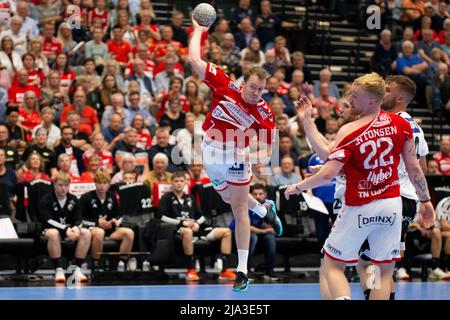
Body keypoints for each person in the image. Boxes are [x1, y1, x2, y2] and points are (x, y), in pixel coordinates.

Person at [285, 73, 435, 300]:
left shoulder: (351, 130)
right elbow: (416, 168)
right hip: (394, 203)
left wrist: (298, 186)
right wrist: (426, 201)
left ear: (375, 100)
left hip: (361, 203)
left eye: (354, 97)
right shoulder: (403, 124)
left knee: (335, 264)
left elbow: (328, 166)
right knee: (382, 268)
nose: (348, 103)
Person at [189, 16, 283, 292]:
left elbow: (268, 148)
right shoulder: (225, 85)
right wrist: (198, 30)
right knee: (227, 196)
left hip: (237, 157)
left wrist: (249, 156)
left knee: (238, 209)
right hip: (210, 152)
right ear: (244, 83)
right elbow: (195, 59)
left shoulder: (264, 113)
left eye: (261, 89)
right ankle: (266, 211)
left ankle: (242, 270)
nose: (255, 93)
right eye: (252, 87)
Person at [157, 171, 236, 281]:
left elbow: (202, 216)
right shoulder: (166, 197)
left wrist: (197, 223)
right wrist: (181, 223)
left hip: (196, 228)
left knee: (226, 231)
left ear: (185, 183)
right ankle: (191, 270)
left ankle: (224, 270)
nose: (179, 183)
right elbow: (161, 216)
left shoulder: (190, 197)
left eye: (181, 181)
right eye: (176, 181)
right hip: (178, 230)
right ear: (172, 183)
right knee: (188, 232)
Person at [39, 172, 91, 283]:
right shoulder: (46, 199)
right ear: (55, 185)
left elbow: (78, 218)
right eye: (60, 185)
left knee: (86, 233)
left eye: (66, 185)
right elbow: (47, 220)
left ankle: (76, 268)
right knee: (53, 233)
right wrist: (65, 229)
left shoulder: (73, 199)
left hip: (69, 231)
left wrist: (76, 227)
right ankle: (59, 269)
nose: (63, 188)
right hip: (48, 230)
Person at [80, 172, 136, 271]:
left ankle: (121, 263)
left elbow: (119, 214)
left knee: (129, 233)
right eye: (99, 183)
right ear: (95, 183)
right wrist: (97, 222)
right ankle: (96, 264)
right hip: (92, 229)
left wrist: (115, 221)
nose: (102, 185)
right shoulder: (86, 197)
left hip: (110, 230)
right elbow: (80, 218)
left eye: (105, 183)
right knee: (100, 232)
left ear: (109, 184)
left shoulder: (112, 196)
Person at [230, 184, 279, 281]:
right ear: (250, 195)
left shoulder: (267, 206)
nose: (258, 196)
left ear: (265, 195)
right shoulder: (245, 205)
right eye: (255, 194)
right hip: (236, 238)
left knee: (270, 238)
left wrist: (268, 225)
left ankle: (269, 271)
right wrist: (264, 230)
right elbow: (246, 227)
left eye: (260, 194)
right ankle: (245, 271)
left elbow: (269, 226)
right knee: (252, 237)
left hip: (256, 237)